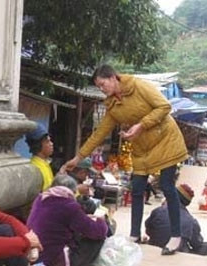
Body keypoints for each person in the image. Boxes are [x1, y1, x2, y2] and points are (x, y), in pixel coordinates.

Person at [61, 64, 188, 255]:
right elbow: (99, 134)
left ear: (113, 78)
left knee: (168, 187)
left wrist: (140, 126)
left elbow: (164, 106)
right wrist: (78, 157)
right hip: (141, 148)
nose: (102, 89)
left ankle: (175, 236)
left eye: (103, 84)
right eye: (99, 87)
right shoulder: (112, 105)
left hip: (165, 140)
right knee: (136, 188)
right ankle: (134, 234)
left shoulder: (138, 86)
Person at [26, 174, 119, 266]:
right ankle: (88, 264)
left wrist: (85, 218)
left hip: (35, 256)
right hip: (53, 261)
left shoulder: (40, 199)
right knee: (97, 237)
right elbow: (96, 232)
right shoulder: (68, 205)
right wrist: (101, 221)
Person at [145, 184, 207, 256]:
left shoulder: (158, 211)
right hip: (179, 251)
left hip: (154, 244)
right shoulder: (191, 220)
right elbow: (197, 243)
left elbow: (148, 230)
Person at [25, 122, 55, 191]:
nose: (51, 144)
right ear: (38, 145)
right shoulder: (36, 168)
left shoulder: (45, 163)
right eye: (47, 141)